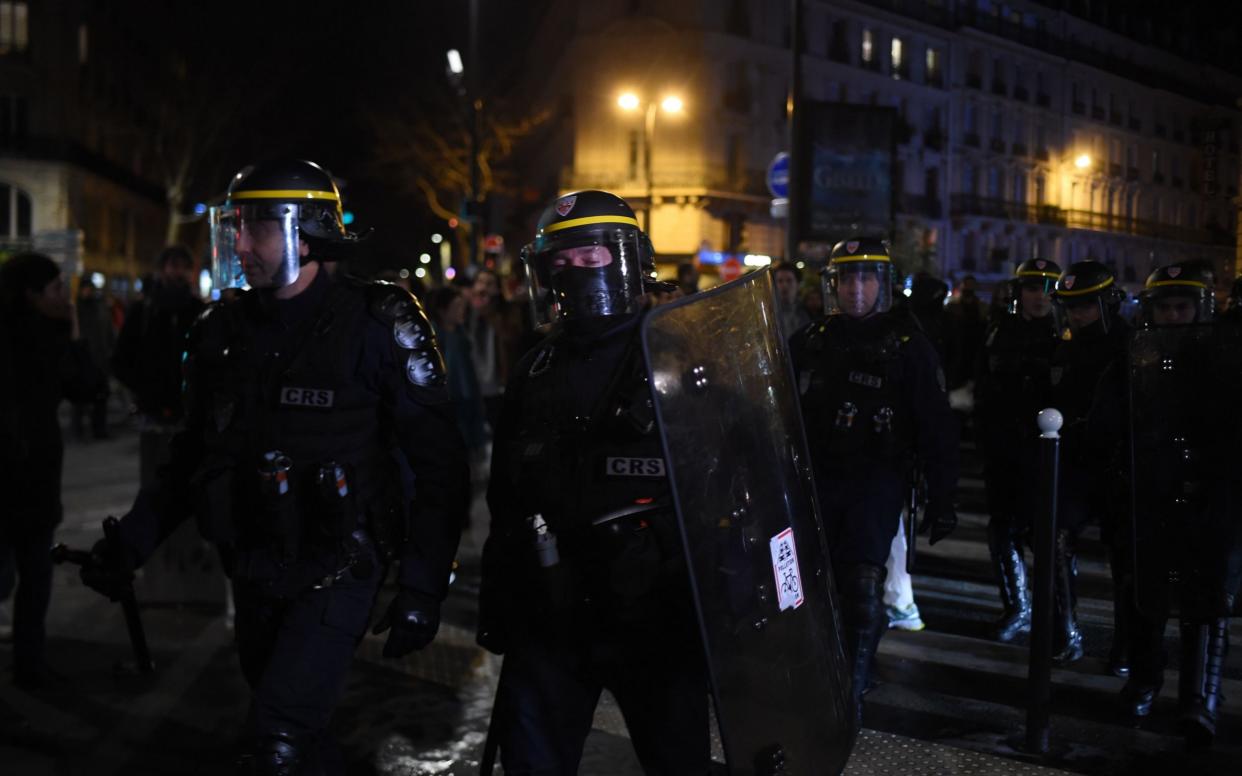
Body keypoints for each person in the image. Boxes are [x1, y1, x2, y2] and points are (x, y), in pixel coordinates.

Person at [78, 159, 469, 773]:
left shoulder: (378, 324)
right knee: (294, 730)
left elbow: (440, 464)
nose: (239, 243)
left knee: (277, 739)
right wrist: (129, 544)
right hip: (255, 565)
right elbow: (192, 457)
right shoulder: (220, 329)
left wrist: (423, 583)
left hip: (340, 563)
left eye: (257, 227)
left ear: (307, 233)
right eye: (235, 225)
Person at [477, 190, 711, 773]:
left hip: (654, 615)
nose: (575, 273)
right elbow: (505, 497)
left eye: (592, 258)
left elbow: (733, 485)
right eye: (562, 260)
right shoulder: (537, 367)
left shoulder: (680, 359)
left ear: (630, 260)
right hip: (552, 613)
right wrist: (499, 602)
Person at [789, 236, 959, 721]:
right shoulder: (813, 339)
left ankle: (851, 690)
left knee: (863, 586)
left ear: (882, 284)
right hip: (818, 477)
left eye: (865, 277)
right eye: (846, 277)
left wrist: (943, 496)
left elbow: (936, 424)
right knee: (817, 586)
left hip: (877, 478)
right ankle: (825, 666)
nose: (855, 288)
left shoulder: (909, 347)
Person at [1120, 261, 1234, 746]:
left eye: (1181, 306)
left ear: (1201, 307)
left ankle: (1199, 698)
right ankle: (1145, 678)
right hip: (1152, 487)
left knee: (1205, 600)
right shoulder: (1136, 353)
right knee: (1147, 592)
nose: (1172, 315)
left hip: (1211, 489)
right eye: (1163, 306)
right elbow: (1113, 415)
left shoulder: (1227, 355)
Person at [0, 253, 97, 690]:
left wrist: (74, 332)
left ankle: (30, 663)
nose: (65, 296)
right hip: (14, 475)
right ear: (31, 294)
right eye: (57, 288)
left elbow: (87, 390)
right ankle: (28, 665)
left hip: (37, 477)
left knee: (35, 574)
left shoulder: (52, 334)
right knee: (12, 579)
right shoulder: (25, 341)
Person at [973, 259, 1062, 643]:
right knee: (1002, 528)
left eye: (1047, 288)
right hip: (1006, 445)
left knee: (1049, 535)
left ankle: (1059, 615)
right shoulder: (1001, 330)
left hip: (1047, 450)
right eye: (1032, 288)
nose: (1039, 296)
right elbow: (984, 384)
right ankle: (1017, 607)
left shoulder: (1065, 333)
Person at [1049, 259, 1130, 667]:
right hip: (1076, 462)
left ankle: (1127, 643)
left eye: (1084, 305)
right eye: (1070, 306)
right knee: (1057, 540)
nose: (1076, 314)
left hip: (1118, 464)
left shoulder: (1130, 345)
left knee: (1125, 555)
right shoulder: (1065, 344)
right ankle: (1067, 632)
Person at [112, 245, 206, 487]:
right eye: (174, 266)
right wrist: (143, 388)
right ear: (162, 270)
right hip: (152, 411)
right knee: (153, 479)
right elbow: (121, 359)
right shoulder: (143, 310)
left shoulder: (199, 311)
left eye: (185, 268)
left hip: (189, 411)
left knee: (186, 479)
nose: (180, 273)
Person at [772, 260, 810, 337]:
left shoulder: (809, 310)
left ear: (798, 284)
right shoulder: (769, 313)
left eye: (789, 280)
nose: (784, 285)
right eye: (780, 281)